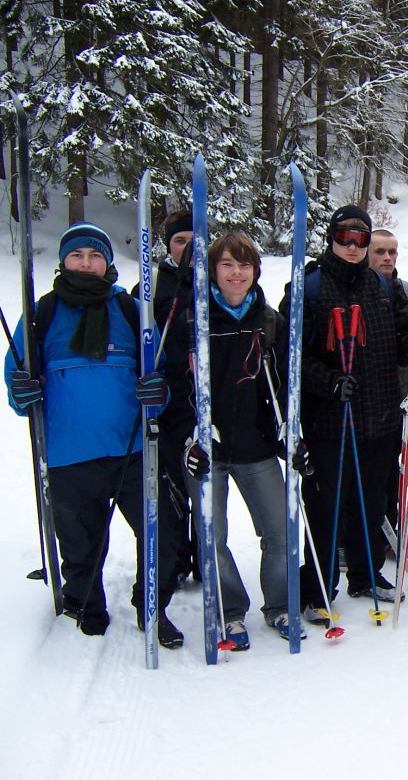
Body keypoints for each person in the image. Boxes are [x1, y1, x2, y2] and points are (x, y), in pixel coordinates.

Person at [4, 222, 183, 646]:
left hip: (132, 448)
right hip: (68, 452)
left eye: (95, 255)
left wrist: (158, 393)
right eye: (77, 255)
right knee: (80, 544)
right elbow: (17, 379)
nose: (86, 263)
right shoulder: (42, 314)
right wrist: (22, 392)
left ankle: (152, 607)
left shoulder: (130, 311)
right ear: (63, 261)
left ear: (107, 263)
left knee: (162, 534)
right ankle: (86, 607)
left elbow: (158, 373)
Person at [279, 204, 408, 626]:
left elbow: (403, 349)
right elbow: (289, 358)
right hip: (330, 421)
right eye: (344, 238)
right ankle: (318, 587)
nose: (353, 247)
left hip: (380, 417)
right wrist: (329, 381)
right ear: (332, 238)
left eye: (361, 239)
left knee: (372, 504)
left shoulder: (382, 286)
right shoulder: (309, 287)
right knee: (326, 508)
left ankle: (365, 573)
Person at [173, 232, 311, 649]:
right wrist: (189, 439)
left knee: (280, 530)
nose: (237, 273)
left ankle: (280, 605)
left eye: (245, 265)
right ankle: (230, 611)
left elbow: (286, 385)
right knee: (212, 538)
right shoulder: (191, 321)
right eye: (228, 264)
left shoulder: (268, 321)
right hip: (208, 448)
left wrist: (291, 432)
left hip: (255, 446)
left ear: (255, 271)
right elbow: (176, 389)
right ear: (213, 271)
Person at [152, 210, 199, 585]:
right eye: (180, 241)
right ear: (169, 246)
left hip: (205, 400)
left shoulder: (216, 280)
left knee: (204, 483)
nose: (187, 248)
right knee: (173, 486)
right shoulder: (153, 287)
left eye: (194, 241)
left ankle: (203, 554)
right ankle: (178, 556)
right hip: (169, 402)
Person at [368, 228, 408, 545]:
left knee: (391, 471)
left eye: (392, 251)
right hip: (362, 400)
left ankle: (388, 535)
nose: (388, 258)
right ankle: (358, 539)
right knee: (364, 474)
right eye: (380, 252)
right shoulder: (356, 291)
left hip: (396, 397)